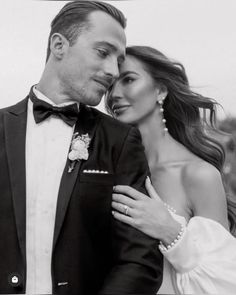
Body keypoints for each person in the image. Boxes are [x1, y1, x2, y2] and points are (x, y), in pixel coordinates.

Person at [0, 4, 163, 294]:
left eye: (119, 60)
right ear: (59, 45)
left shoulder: (120, 141)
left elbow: (140, 260)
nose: (113, 70)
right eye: (103, 52)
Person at [106, 45, 236, 294]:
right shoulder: (109, 168)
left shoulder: (198, 175)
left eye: (128, 80)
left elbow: (223, 280)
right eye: (111, 84)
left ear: (161, 91)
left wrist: (171, 231)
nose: (114, 94)